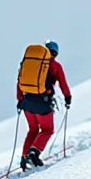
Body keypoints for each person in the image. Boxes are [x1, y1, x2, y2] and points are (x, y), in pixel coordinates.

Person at [17, 40, 72, 171]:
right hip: (42, 102)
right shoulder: (55, 66)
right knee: (47, 129)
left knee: (33, 129)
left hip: (26, 101)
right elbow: (62, 83)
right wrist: (67, 97)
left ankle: (24, 159)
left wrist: (20, 99)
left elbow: (19, 81)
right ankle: (34, 153)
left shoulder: (30, 64)